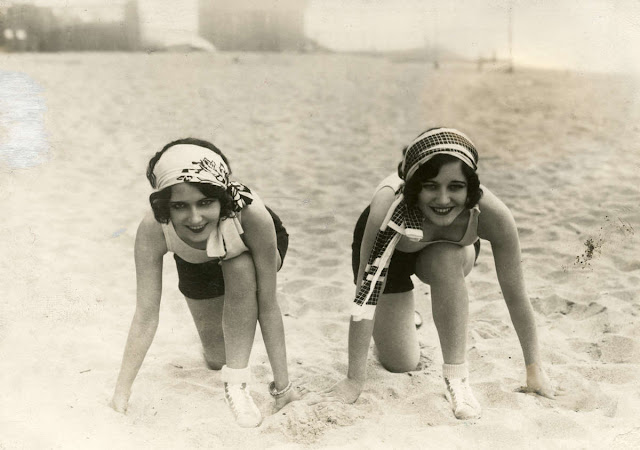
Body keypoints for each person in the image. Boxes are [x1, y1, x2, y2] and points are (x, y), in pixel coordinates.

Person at [320, 127, 554, 419]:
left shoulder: (493, 214)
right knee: (401, 363)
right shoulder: (387, 209)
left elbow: (516, 295)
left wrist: (534, 370)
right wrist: (354, 380)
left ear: (471, 187)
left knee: (446, 258)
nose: (443, 199)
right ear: (414, 186)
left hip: (447, 255)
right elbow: (365, 295)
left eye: (455, 186)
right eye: (430, 186)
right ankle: (405, 317)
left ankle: (458, 380)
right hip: (391, 255)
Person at [110, 138, 298, 427]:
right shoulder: (153, 229)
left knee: (239, 265)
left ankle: (237, 385)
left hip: (244, 241)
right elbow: (145, 315)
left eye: (205, 202)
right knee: (216, 358)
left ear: (221, 199)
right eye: (180, 206)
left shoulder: (251, 214)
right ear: (165, 207)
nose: (195, 217)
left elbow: (268, 305)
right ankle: (226, 355)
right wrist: (121, 393)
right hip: (195, 260)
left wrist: (283, 389)